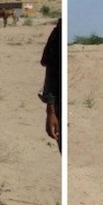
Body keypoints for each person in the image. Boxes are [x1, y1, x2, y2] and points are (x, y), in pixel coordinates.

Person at [39, 19, 62, 152]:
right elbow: (51, 70)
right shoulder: (58, 32)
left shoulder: (58, 31)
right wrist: (51, 112)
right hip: (58, 103)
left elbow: (46, 63)